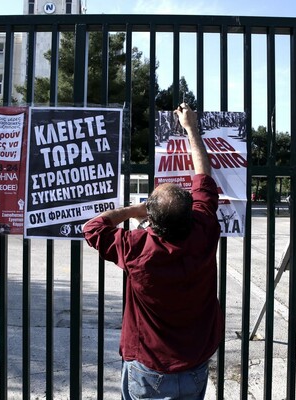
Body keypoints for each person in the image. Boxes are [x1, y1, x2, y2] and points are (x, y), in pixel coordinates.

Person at [83, 103, 224, 400]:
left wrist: (134, 209)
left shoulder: (137, 248)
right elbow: (204, 177)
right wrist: (191, 129)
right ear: (191, 212)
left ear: (151, 220)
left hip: (149, 369)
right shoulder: (205, 229)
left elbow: (92, 228)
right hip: (195, 363)